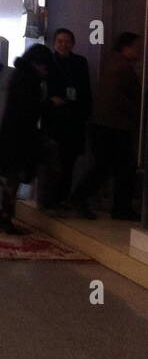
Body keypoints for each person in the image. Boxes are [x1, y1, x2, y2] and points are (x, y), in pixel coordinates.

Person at [71, 32, 143, 220]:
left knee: (110, 167)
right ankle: (114, 206)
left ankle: (115, 205)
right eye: (136, 46)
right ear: (125, 47)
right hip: (115, 126)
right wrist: (137, 114)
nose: (140, 50)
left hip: (108, 125)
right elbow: (117, 99)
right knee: (115, 167)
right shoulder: (121, 67)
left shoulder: (115, 64)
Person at [0, 43, 56, 234]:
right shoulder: (29, 81)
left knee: (12, 180)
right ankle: (5, 219)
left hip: (10, 136)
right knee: (14, 179)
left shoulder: (18, 75)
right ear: (36, 63)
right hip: (19, 138)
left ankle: (4, 217)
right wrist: (48, 104)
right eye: (43, 66)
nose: (45, 70)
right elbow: (29, 110)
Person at [40, 28, 92, 209]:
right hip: (54, 121)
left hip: (74, 119)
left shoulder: (79, 62)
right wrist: (51, 100)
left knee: (69, 163)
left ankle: (63, 198)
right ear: (54, 43)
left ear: (73, 43)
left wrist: (85, 114)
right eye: (60, 41)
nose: (64, 45)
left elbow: (85, 90)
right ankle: (49, 200)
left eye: (67, 41)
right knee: (53, 162)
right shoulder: (47, 62)